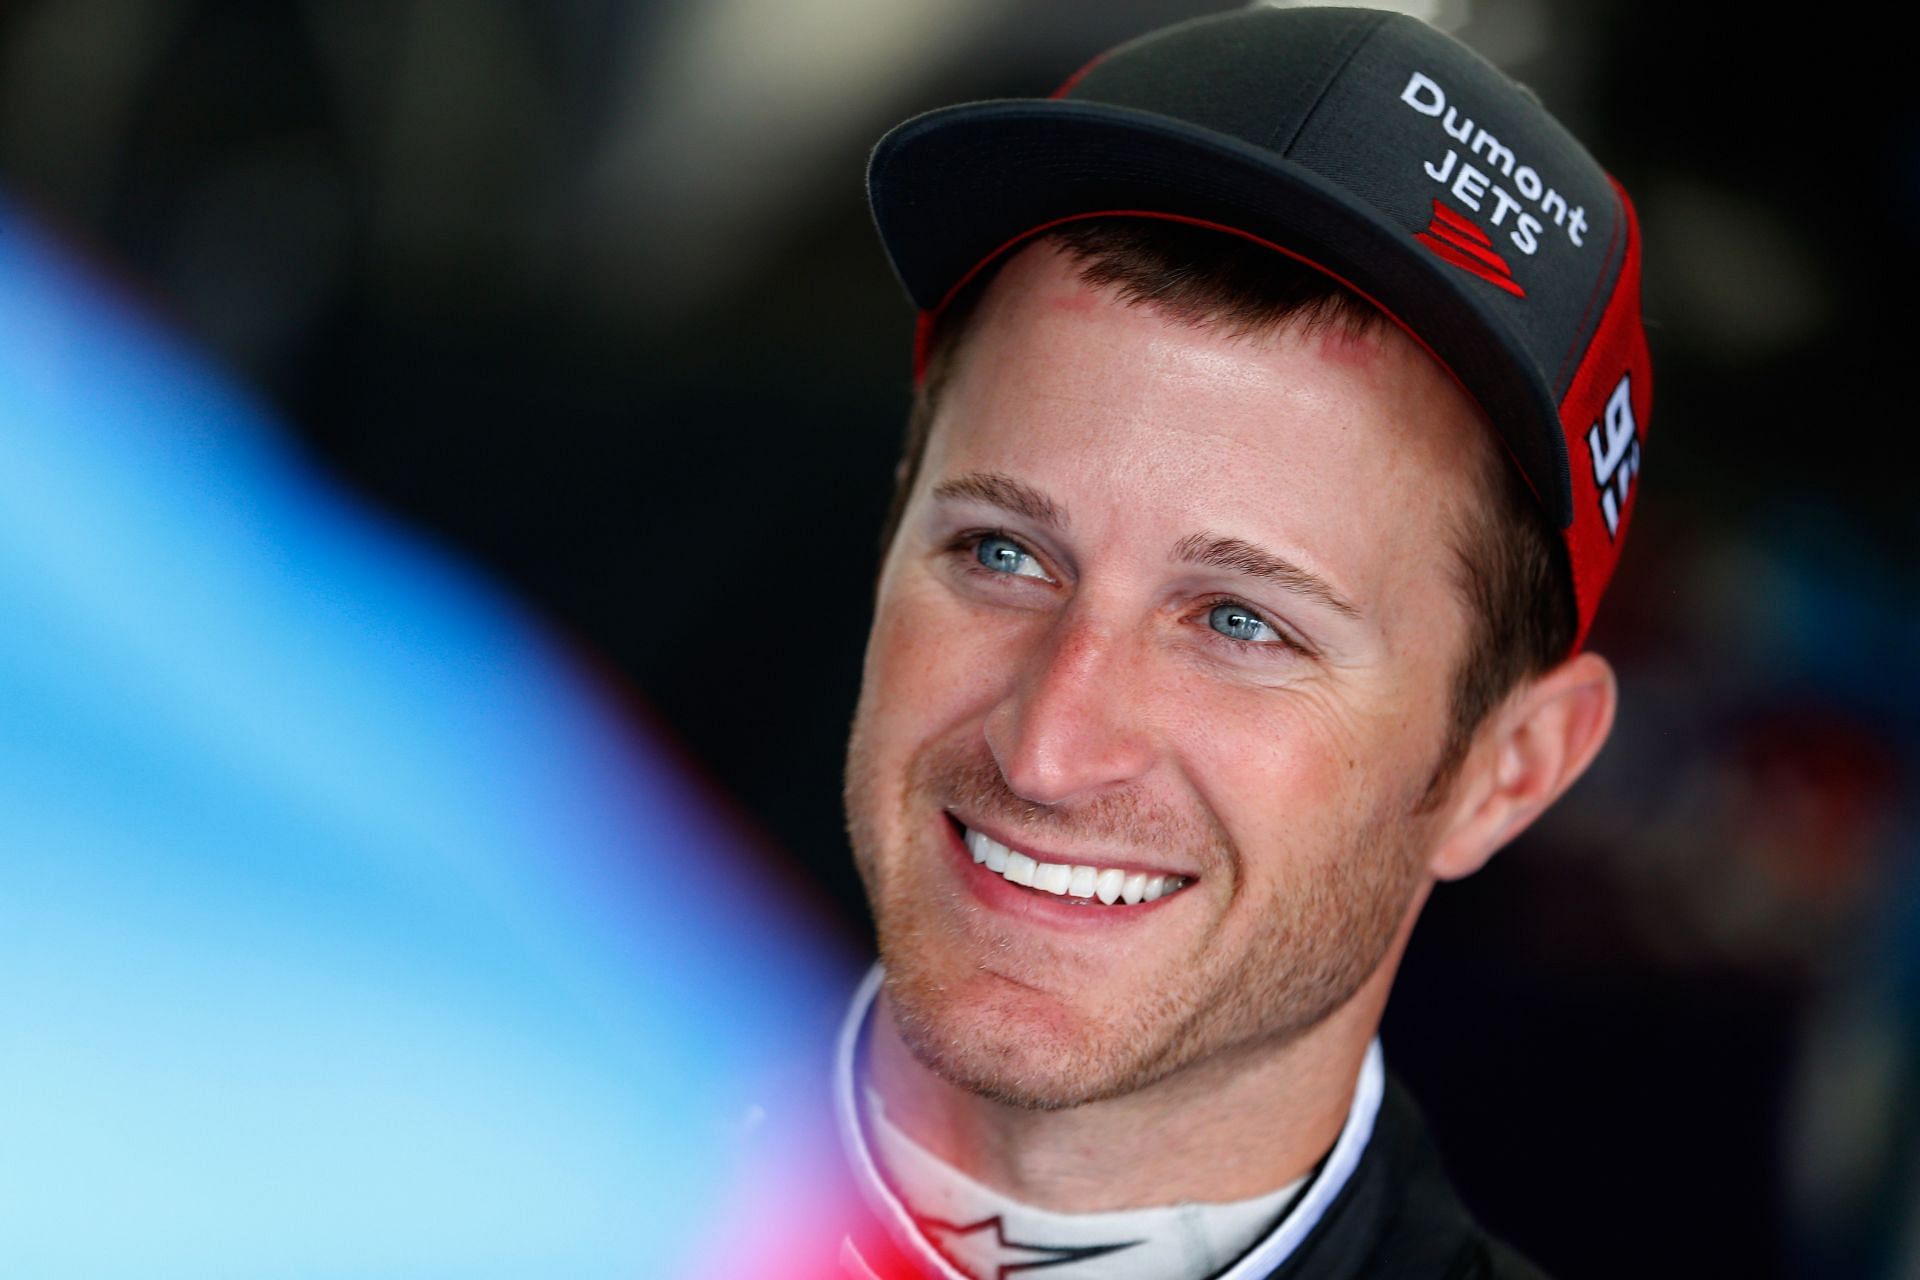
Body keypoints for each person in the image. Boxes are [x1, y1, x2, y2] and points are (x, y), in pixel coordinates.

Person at [828, 7, 1650, 1278]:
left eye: (1240, 621)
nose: (1049, 746)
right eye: (1003, 552)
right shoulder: (468, 1146)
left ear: (1512, 767)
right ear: (892, 527)